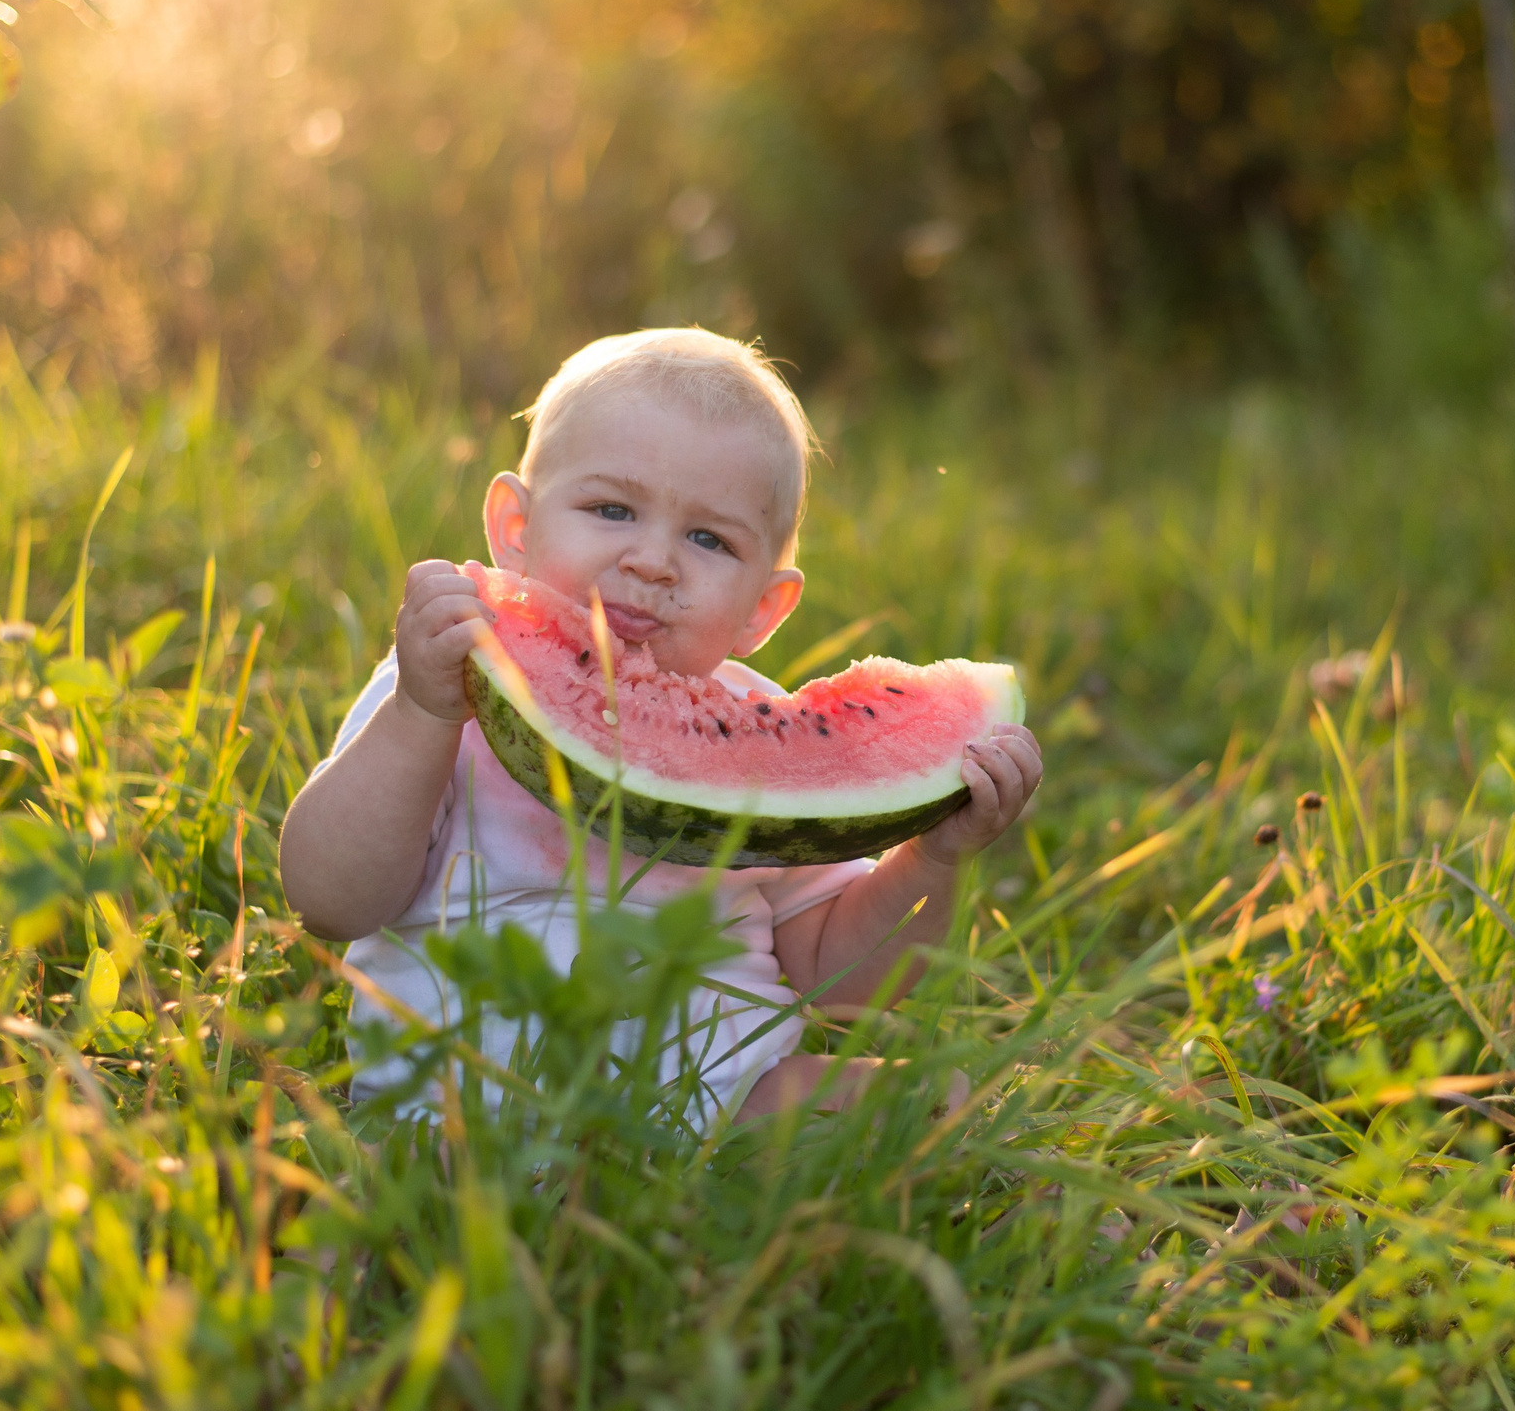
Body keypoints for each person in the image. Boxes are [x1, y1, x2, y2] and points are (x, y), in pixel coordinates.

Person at [279, 328, 1042, 1121]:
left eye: (709, 538)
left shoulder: (758, 748)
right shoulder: (449, 682)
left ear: (763, 607)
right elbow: (328, 900)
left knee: (928, 1097)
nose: (652, 560)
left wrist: (935, 858)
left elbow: (838, 981)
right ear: (514, 528)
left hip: (717, 1108)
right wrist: (419, 713)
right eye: (612, 508)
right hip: (464, 1107)